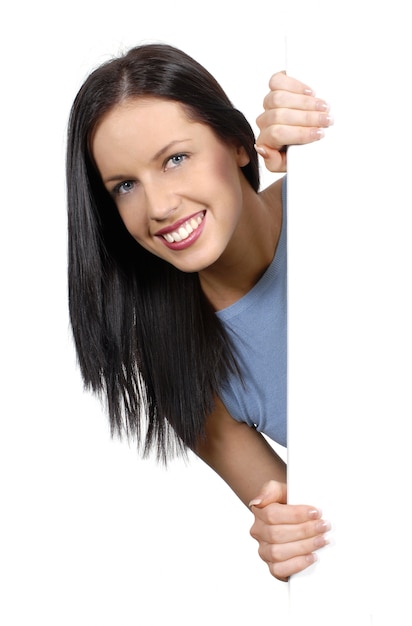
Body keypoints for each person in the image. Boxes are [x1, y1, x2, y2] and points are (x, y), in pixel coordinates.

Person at [66, 43, 333, 582]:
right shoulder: (183, 366)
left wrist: (344, 137)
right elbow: (321, 528)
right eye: (125, 186)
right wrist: (285, 540)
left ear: (237, 143)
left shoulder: (341, 195)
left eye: (175, 159)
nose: (159, 206)